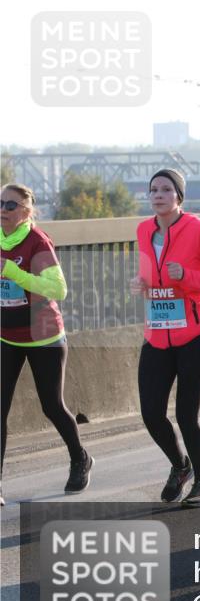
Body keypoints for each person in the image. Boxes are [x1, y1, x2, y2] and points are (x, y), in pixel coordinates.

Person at [130, 169, 200, 507]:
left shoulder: (198, 228)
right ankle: (180, 466)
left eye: (165, 189)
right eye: (153, 190)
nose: (158, 195)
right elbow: (153, 274)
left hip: (197, 335)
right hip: (158, 335)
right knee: (151, 413)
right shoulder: (144, 230)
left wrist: (187, 276)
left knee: (187, 415)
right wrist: (142, 284)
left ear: (179, 196)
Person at [1, 183, 91, 506]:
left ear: (26, 210)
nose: (2, 210)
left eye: (10, 205)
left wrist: (12, 271)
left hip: (44, 336)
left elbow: (58, 290)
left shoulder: (37, 242)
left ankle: (80, 458)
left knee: (51, 406)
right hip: (7, 336)